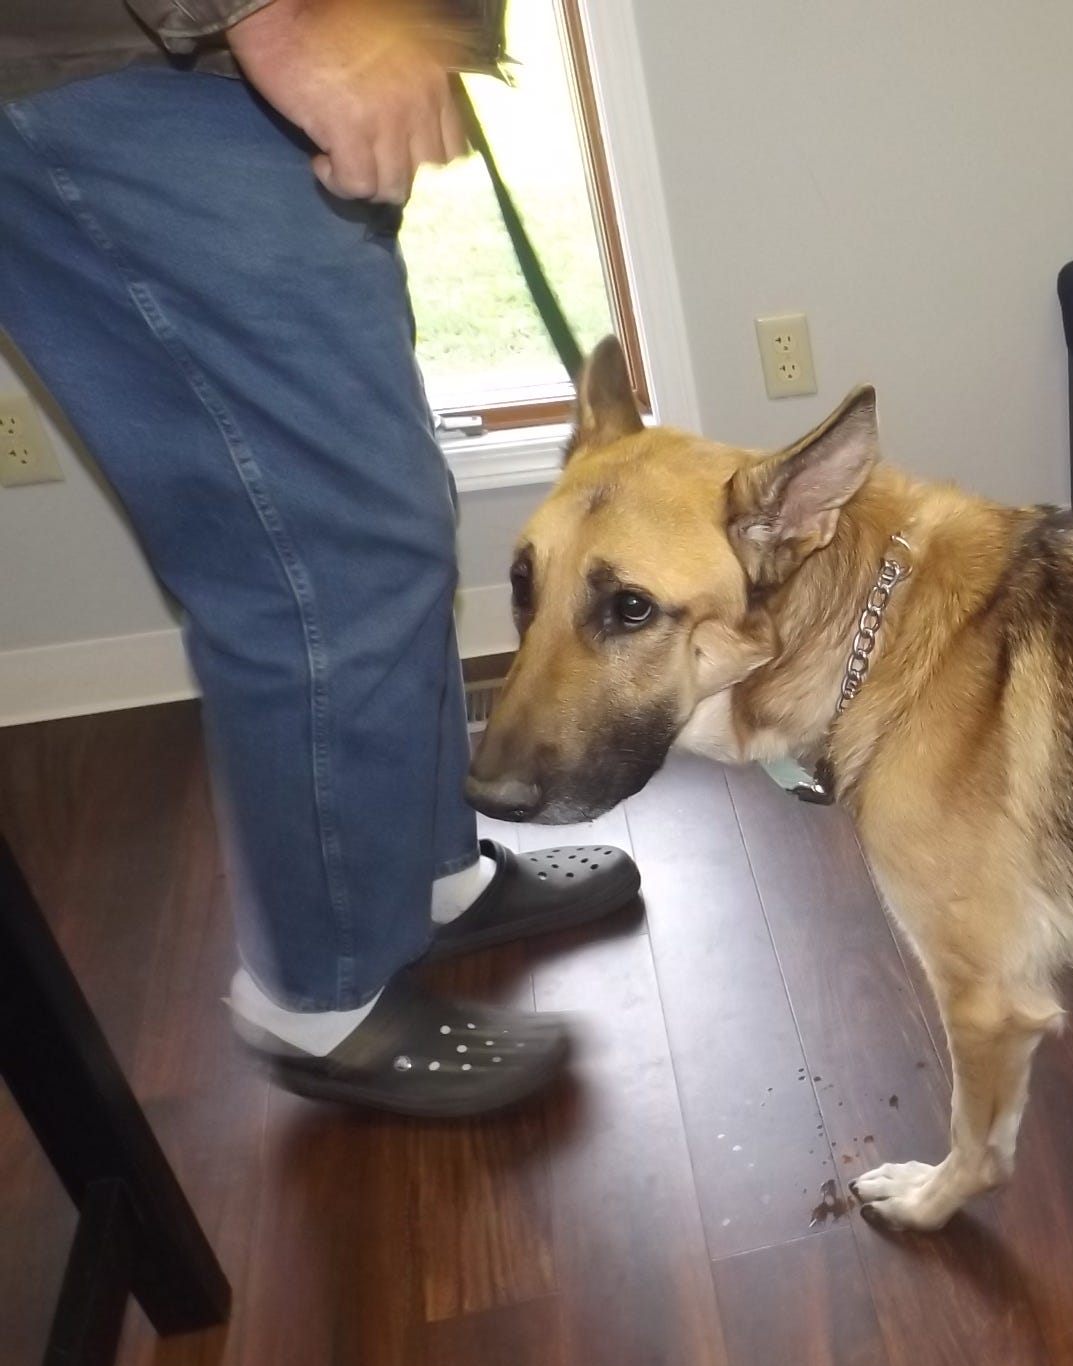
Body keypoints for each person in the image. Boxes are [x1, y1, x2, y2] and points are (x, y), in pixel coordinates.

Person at [0, 0, 637, 1114]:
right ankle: (323, 998)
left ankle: (431, 875)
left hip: (213, 66)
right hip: (138, 60)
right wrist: (273, 15)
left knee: (390, 511)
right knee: (318, 549)